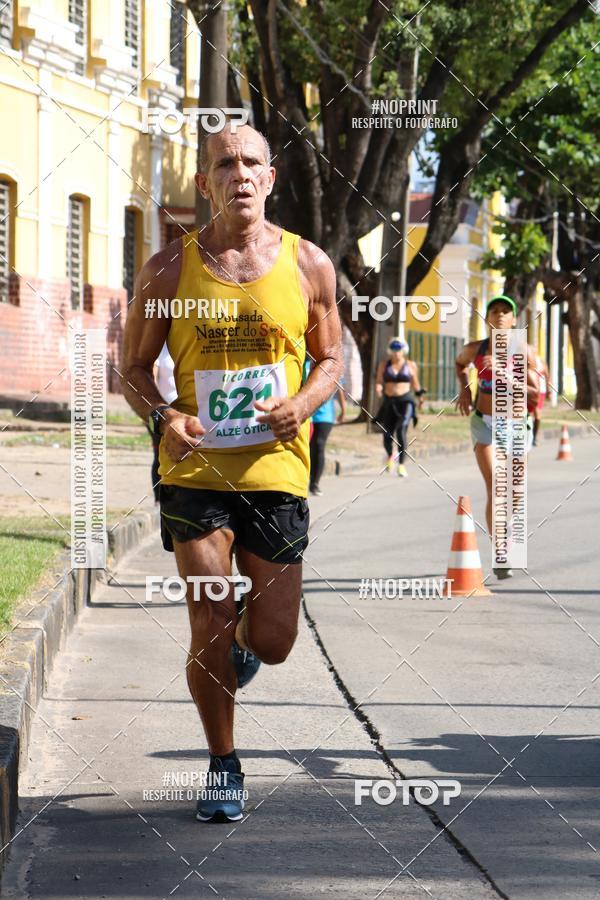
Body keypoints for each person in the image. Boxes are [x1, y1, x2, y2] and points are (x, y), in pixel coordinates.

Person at [122, 122, 344, 822]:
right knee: (209, 611)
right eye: (226, 164)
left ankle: (249, 642)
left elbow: (332, 358)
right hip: (193, 471)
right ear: (205, 182)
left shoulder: (310, 265)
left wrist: (304, 402)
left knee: (273, 641)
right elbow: (131, 371)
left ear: (270, 180)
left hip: (277, 469)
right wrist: (165, 418)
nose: (241, 174)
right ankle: (223, 764)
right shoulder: (166, 269)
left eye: (253, 163)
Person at [455, 295, 539, 579]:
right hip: (484, 423)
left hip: (515, 425)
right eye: (494, 311)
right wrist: (465, 389)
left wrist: (503, 372)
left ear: (514, 320)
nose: (500, 316)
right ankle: (501, 550)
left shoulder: (524, 351)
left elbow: (535, 391)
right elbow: (459, 363)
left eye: (506, 312)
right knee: (496, 487)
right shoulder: (475, 349)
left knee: (514, 491)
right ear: (488, 318)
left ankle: (506, 529)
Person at [374, 337, 424, 477]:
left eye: (399, 350)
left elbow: (416, 384)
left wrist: (420, 398)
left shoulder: (411, 365)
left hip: (406, 402)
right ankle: (391, 455)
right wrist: (378, 388)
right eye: (394, 350)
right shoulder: (384, 365)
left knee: (401, 431)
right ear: (390, 351)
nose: (396, 353)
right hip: (389, 402)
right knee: (387, 434)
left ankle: (401, 465)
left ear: (404, 351)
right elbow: (379, 381)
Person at [147, 343, 177, 502]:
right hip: (163, 414)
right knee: (161, 456)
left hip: (191, 413)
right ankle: (160, 501)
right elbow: (150, 379)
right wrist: (160, 411)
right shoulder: (160, 344)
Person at [309, 383, 346, 496]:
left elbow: (339, 389)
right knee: (309, 446)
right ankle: (308, 476)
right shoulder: (304, 365)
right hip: (307, 414)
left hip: (325, 415)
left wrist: (343, 410)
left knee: (319, 444)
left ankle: (315, 483)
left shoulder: (330, 366)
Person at [532, 353, 549, 446]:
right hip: (527, 390)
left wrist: (549, 390)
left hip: (540, 391)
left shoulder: (541, 362)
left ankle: (534, 437)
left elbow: (547, 375)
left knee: (537, 413)